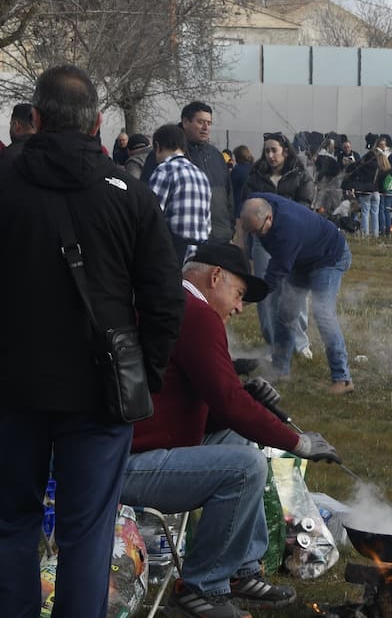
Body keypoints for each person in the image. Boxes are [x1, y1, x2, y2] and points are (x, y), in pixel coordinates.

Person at [0, 65, 183, 618]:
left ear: (32, 118)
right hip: (101, 386)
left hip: (12, 383)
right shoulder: (129, 194)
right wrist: (146, 374)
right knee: (87, 531)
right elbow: (164, 298)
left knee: (10, 523)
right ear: (98, 123)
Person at [120, 243, 340, 618]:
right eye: (238, 294)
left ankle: (241, 570)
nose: (239, 308)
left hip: (126, 448)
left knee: (239, 441)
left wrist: (244, 395)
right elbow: (229, 402)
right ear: (215, 277)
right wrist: (297, 441)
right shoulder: (196, 314)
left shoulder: (170, 301)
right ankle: (201, 589)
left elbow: (197, 404)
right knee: (246, 466)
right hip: (127, 464)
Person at [239, 194, 355, 394]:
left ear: (269, 218)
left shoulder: (287, 233)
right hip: (302, 258)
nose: (255, 236)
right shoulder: (258, 202)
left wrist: (241, 300)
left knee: (323, 314)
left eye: (257, 231)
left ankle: (343, 379)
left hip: (329, 258)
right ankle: (280, 370)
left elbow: (270, 282)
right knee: (285, 312)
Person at [242, 133, 316, 354]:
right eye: (266, 151)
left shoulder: (300, 175)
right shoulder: (255, 176)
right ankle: (273, 339)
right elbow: (245, 206)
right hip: (263, 240)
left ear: (285, 150)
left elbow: (304, 206)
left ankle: (300, 342)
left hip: (293, 240)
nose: (270, 155)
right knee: (267, 289)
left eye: (274, 150)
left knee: (296, 287)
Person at [140, 101, 236, 244]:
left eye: (209, 123)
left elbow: (228, 195)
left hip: (220, 237)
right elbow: (148, 200)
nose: (205, 128)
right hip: (178, 243)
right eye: (200, 122)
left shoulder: (216, 155)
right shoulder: (164, 155)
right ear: (185, 122)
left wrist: (230, 228)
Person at [146, 123, 214, 265]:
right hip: (200, 253)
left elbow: (151, 215)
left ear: (157, 146)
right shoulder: (200, 174)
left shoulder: (164, 170)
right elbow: (207, 222)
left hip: (173, 251)